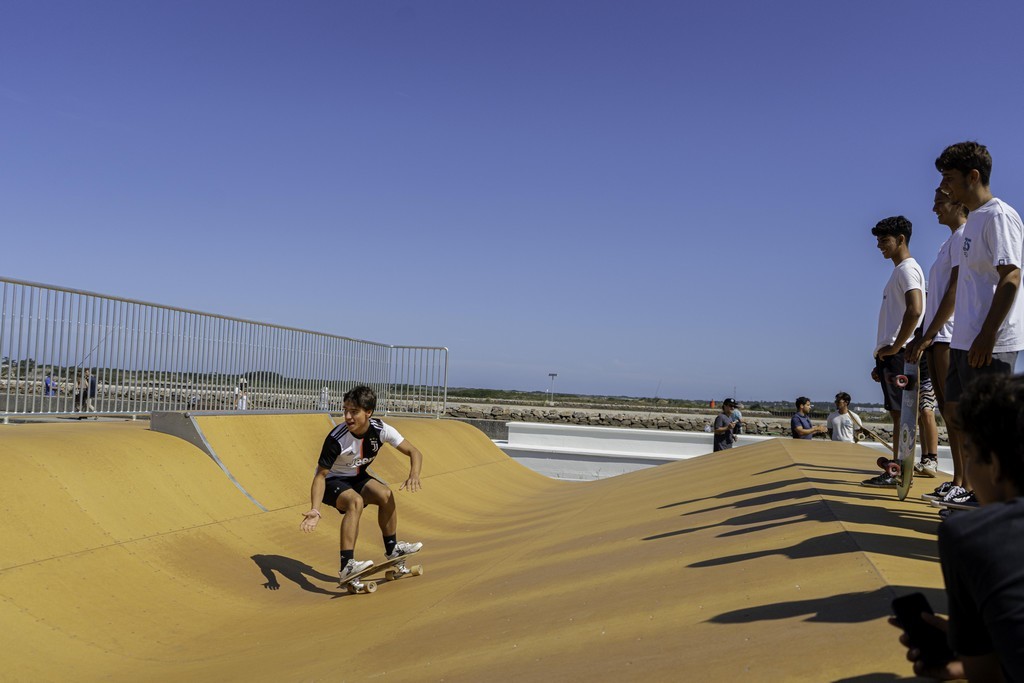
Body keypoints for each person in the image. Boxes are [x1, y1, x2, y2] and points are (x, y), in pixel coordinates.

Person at [891, 373, 1024, 681]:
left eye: (970, 456)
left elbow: (985, 675)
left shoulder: (970, 533)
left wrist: (972, 656)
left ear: (994, 465)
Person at [934, 141, 1024, 506]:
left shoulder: (999, 216)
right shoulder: (973, 220)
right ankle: (975, 494)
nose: (945, 187)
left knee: (992, 430)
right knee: (960, 417)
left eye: (949, 178)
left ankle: (997, 509)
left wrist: (987, 335)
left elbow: (1011, 276)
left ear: (973, 176)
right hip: (964, 340)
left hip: (990, 343)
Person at [299, 385, 423, 583]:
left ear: (368, 412)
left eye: (354, 412)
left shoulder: (381, 430)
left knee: (386, 494)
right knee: (355, 501)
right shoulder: (336, 439)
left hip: (357, 477)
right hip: (332, 481)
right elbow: (320, 476)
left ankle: (393, 549)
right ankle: (347, 566)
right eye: (345, 410)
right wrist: (315, 509)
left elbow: (414, 452)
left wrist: (414, 474)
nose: (347, 417)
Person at [908, 187, 970, 497]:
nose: (934, 209)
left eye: (939, 203)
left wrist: (930, 333)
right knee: (946, 408)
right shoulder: (948, 242)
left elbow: (955, 291)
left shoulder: (963, 236)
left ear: (958, 202)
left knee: (956, 410)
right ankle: (958, 481)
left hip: (949, 333)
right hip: (936, 335)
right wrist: (922, 334)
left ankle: (966, 483)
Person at [865, 216, 925, 488]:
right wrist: (882, 357)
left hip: (898, 355)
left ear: (901, 239)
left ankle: (899, 472)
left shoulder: (907, 269)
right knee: (898, 414)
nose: (879, 245)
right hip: (891, 356)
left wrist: (897, 347)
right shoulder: (899, 271)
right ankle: (898, 469)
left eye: (884, 240)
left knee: (902, 415)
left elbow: (916, 309)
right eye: (878, 240)